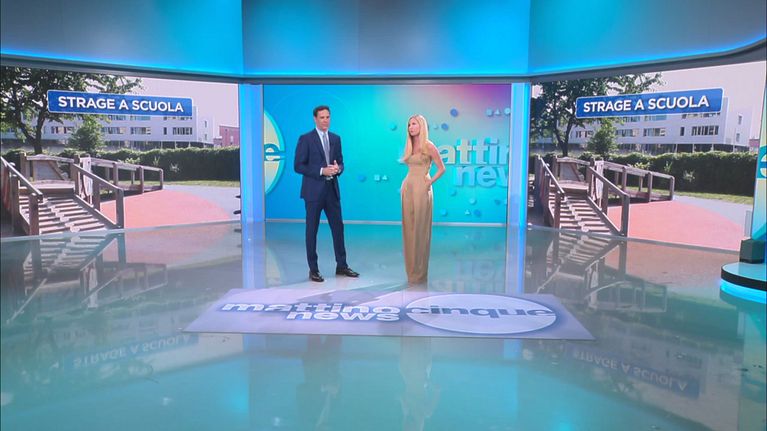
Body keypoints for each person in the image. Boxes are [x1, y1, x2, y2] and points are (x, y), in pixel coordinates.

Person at [294, 105, 359, 282]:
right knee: (312, 231)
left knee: (338, 228)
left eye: (328, 117)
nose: (325, 120)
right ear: (315, 119)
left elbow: (341, 162)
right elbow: (298, 166)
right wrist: (321, 171)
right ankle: (313, 269)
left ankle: (342, 265)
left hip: (332, 191)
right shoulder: (306, 139)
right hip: (313, 193)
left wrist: (338, 169)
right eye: (322, 117)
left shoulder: (336, 138)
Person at [400, 115, 445, 285]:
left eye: (414, 124)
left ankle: (419, 273)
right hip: (408, 187)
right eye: (409, 124)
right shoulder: (409, 145)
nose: (411, 127)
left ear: (422, 126)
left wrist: (429, 182)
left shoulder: (428, 145)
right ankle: (411, 272)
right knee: (409, 229)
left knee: (420, 229)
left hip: (422, 188)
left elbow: (442, 168)